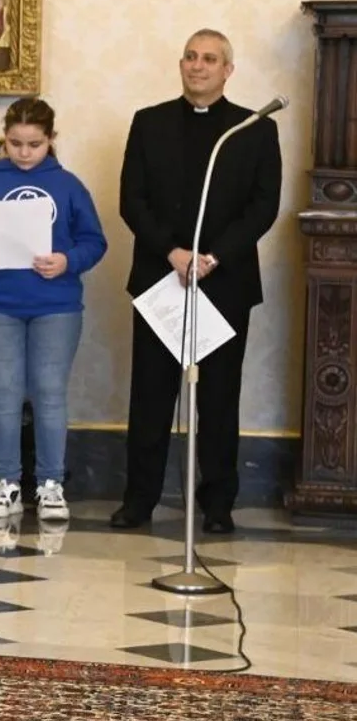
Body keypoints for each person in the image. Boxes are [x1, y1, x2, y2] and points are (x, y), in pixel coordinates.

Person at [111, 29, 281, 535]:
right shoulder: (149, 123)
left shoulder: (252, 128)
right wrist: (173, 252)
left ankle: (218, 504)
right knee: (150, 396)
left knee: (219, 398)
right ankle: (138, 500)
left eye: (210, 59)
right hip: (161, 278)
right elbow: (131, 199)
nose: (198, 66)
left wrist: (212, 257)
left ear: (228, 70)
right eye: (190, 56)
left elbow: (262, 207)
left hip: (224, 283)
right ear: (180, 64)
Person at [0, 97, 107, 522]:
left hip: (55, 306)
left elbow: (95, 241)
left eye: (34, 144)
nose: (24, 153)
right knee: (2, 394)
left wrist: (67, 261)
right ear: (4, 138)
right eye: (15, 143)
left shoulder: (69, 185)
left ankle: (50, 484)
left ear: (51, 140)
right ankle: (6, 482)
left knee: (49, 393)